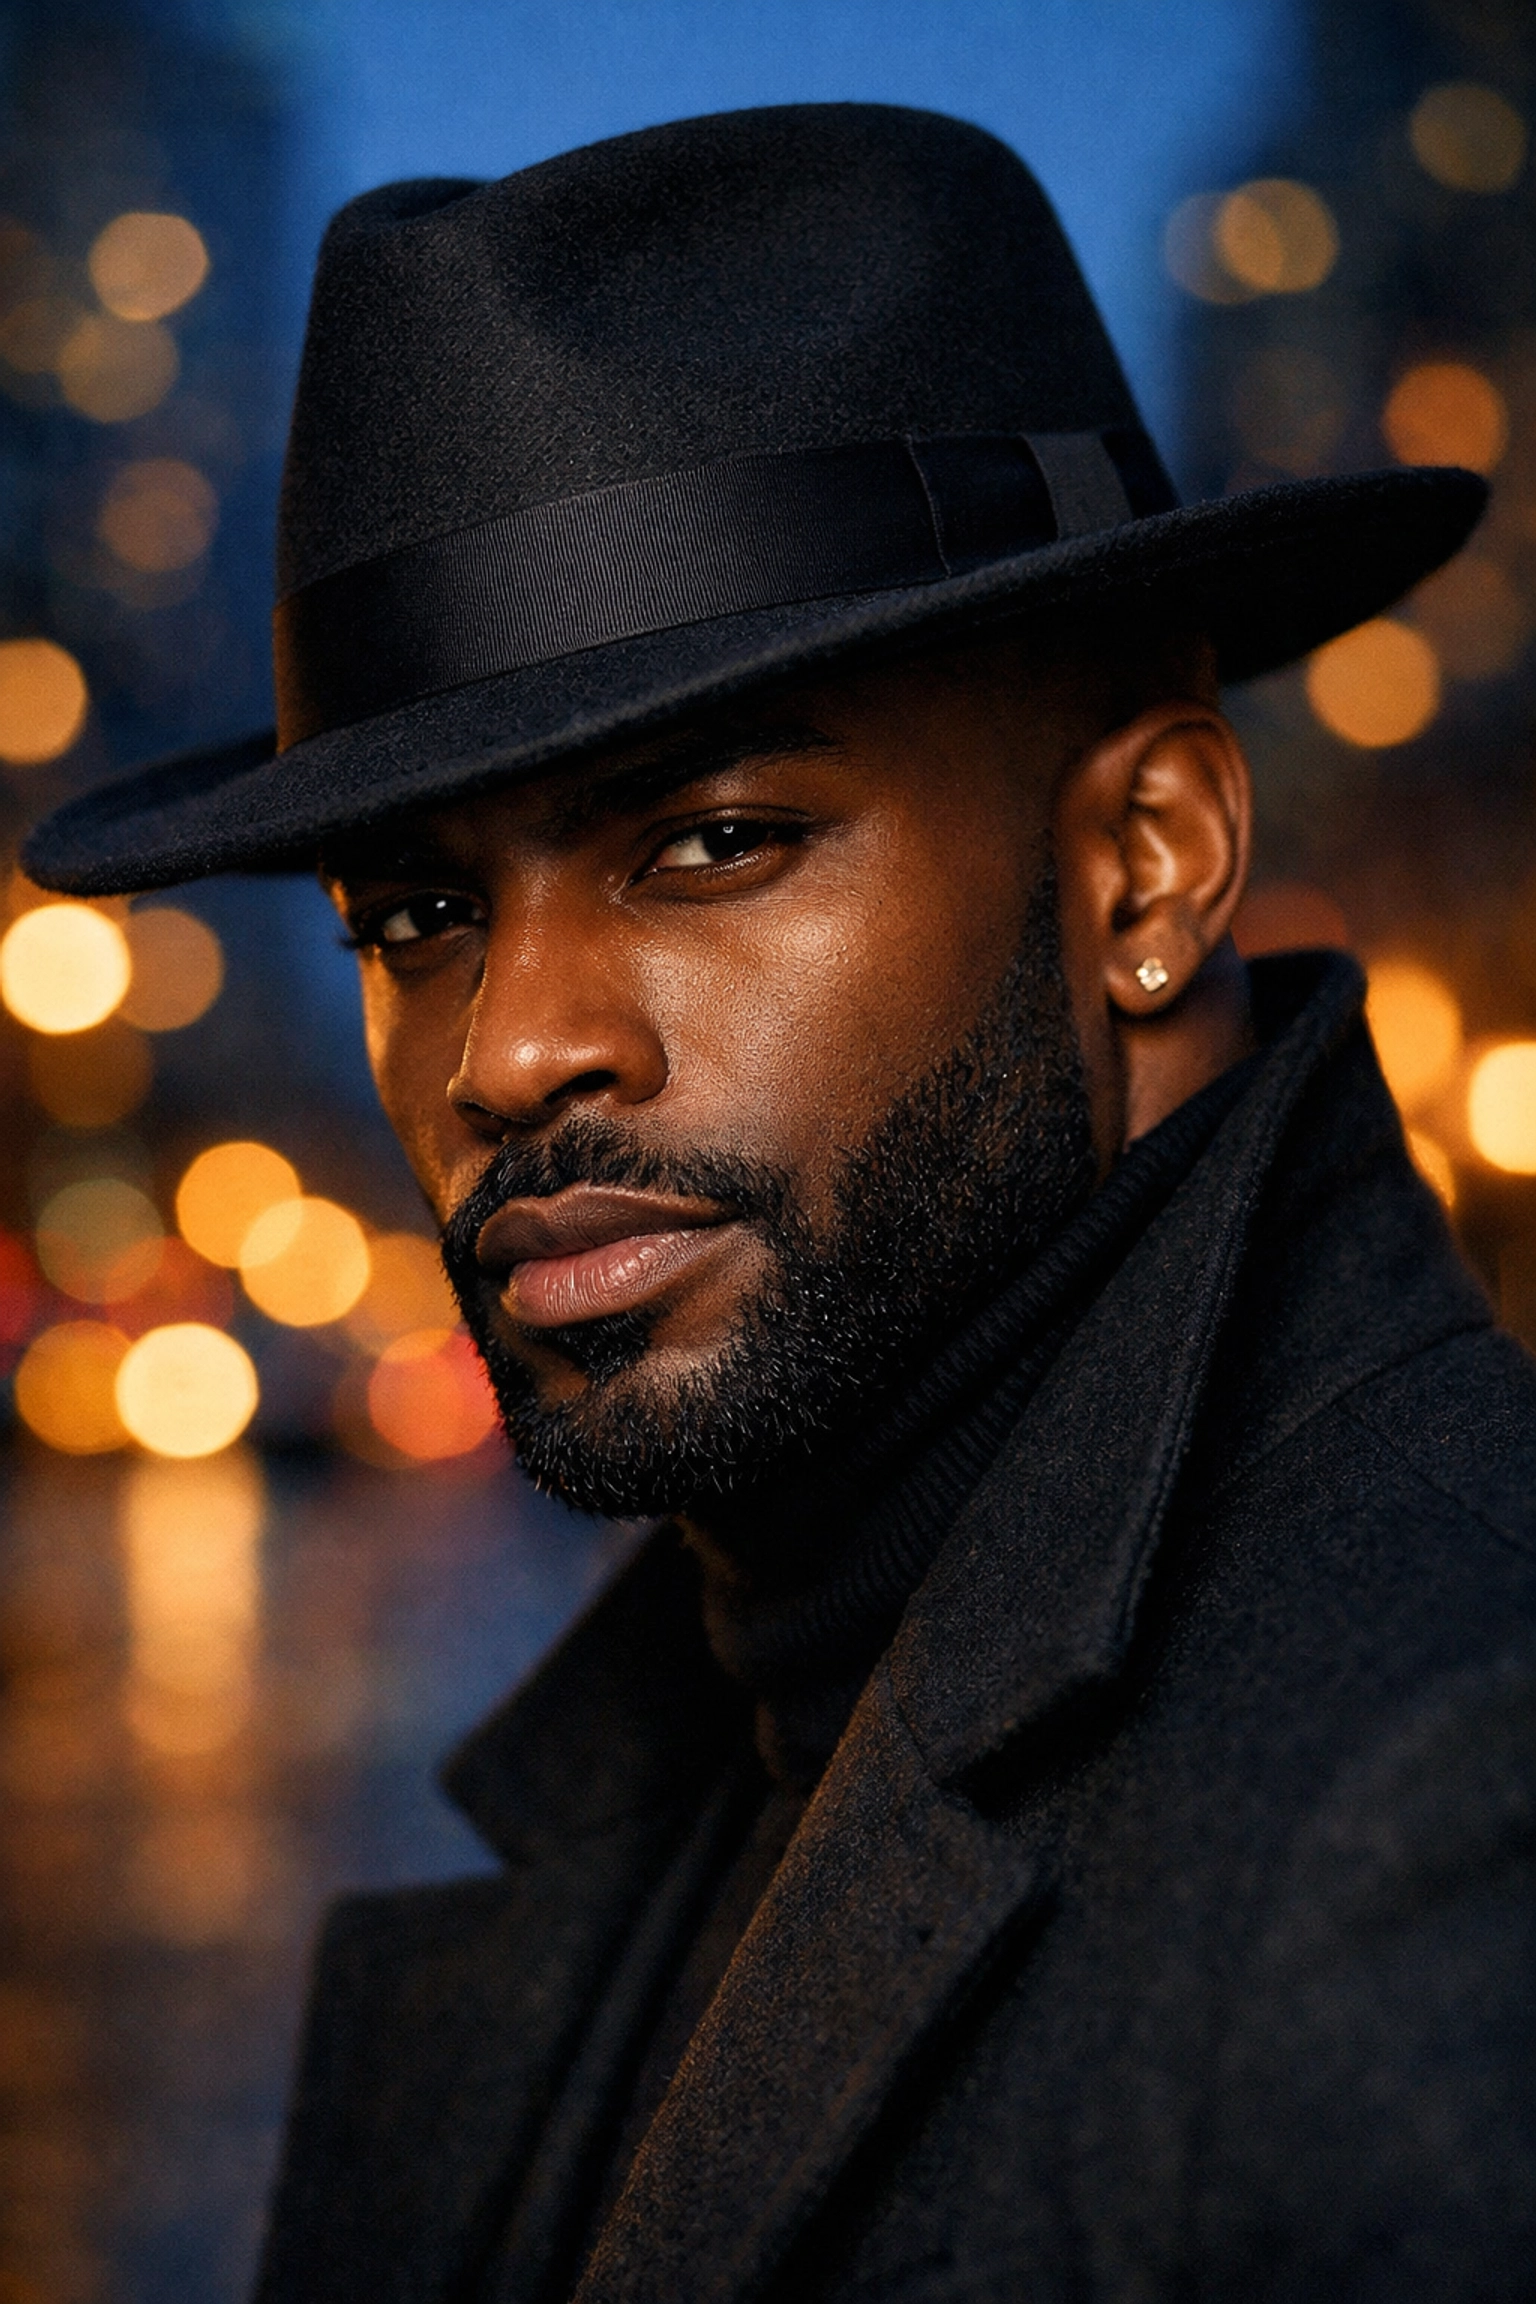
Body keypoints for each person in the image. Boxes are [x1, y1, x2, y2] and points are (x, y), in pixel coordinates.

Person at [26, 103, 1535, 2304]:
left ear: (1148, 869)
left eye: (715, 842)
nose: (509, 1049)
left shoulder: (1451, 1821)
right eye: (418, 911)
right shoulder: (711, 1730)